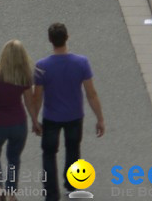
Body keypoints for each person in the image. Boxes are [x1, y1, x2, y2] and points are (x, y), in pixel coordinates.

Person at [34, 23, 105, 201]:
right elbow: (91, 93)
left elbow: (37, 96)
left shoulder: (42, 66)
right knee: (73, 149)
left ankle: (51, 193)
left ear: (50, 40)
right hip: (74, 116)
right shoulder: (81, 63)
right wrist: (100, 118)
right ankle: (72, 185)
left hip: (51, 117)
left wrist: (34, 119)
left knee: (49, 153)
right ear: (67, 37)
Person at [0, 40, 41, 200]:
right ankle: (11, 193)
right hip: (18, 125)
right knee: (13, 159)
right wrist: (35, 122)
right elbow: (29, 102)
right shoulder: (24, 77)